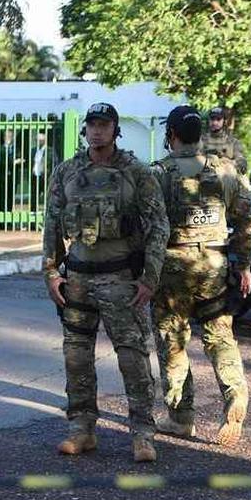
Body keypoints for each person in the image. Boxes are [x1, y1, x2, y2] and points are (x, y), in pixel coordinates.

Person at [43, 103, 169, 462]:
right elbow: (51, 224)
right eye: (92, 125)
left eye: (104, 125)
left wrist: (150, 277)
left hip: (121, 278)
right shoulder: (67, 172)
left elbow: (159, 226)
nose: (97, 131)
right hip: (78, 278)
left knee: (132, 358)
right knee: (76, 357)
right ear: (85, 130)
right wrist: (51, 272)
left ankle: (143, 434)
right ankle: (82, 430)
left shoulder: (137, 173)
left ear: (116, 130)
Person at [151, 105, 251, 447]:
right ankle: (234, 395)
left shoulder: (159, 173)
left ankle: (181, 418)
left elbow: (145, 228)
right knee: (220, 337)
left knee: (173, 341)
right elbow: (247, 220)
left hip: (172, 270)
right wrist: (242, 264)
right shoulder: (226, 170)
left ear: (171, 135)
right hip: (214, 264)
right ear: (200, 134)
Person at [201, 106, 248, 176]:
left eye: (218, 119)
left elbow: (242, 163)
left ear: (224, 121)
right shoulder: (200, 140)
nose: (214, 122)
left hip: (227, 178)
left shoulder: (233, 142)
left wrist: (226, 161)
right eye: (212, 119)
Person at [0, 129, 25, 214]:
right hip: (2, 177)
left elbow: (21, 158)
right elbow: (1, 161)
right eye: (6, 136)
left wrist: (20, 161)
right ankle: (2, 220)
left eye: (10, 136)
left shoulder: (16, 149)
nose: (8, 138)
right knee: (2, 198)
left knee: (10, 197)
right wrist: (13, 162)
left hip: (13, 177)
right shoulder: (0, 149)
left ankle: (8, 217)